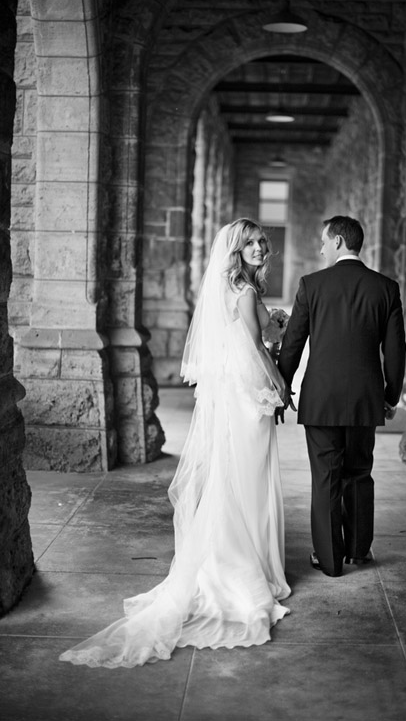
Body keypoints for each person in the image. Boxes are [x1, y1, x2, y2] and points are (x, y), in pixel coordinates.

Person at [59, 219, 292, 668]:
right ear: (236, 250)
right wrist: (279, 381)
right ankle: (243, 567)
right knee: (247, 476)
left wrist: (274, 322)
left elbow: (254, 336)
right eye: (250, 244)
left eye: (262, 242)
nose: (260, 248)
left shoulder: (236, 287)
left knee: (239, 474)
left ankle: (244, 556)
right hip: (247, 395)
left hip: (235, 392)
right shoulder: (244, 292)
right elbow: (255, 347)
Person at [276, 215, 406, 578]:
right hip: (366, 399)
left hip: (321, 399)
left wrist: (282, 387)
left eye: (323, 241)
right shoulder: (385, 288)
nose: (320, 248)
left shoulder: (312, 285)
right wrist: (391, 396)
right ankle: (359, 550)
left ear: (337, 241)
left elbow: (292, 345)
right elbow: (396, 350)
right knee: (359, 473)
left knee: (325, 476)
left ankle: (330, 560)